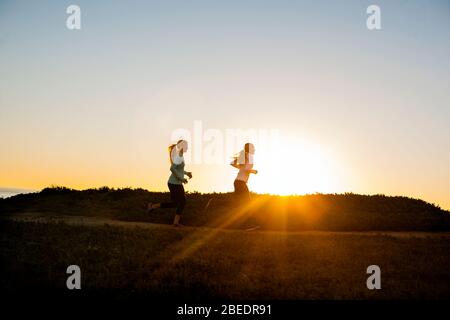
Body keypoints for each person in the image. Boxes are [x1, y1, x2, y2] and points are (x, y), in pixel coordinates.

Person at [147, 140, 192, 227]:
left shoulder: (180, 156)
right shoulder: (179, 156)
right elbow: (172, 168)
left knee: (176, 203)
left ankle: (152, 206)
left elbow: (179, 169)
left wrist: (186, 173)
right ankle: (175, 222)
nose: (188, 148)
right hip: (174, 183)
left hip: (176, 183)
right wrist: (181, 178)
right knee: (182, 202)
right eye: (186, 146)